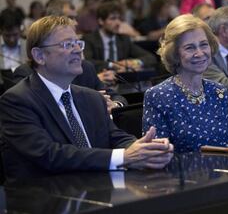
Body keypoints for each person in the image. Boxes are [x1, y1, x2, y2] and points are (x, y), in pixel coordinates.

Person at [0, 15, 173, 181]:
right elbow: (50, 154)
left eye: (78, 43)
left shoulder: (90, 97)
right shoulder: (17, 101)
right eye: (67, 44)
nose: (78, 51)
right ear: (39, 56)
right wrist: (125, 156)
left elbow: (116, 137)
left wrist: (147, 148)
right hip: (45, 199)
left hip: (99, 191)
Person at [142, 14, 228, 153]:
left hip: (226, 173)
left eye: (204, 45)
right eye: (190, 48)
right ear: (174, 54)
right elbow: (156, 154)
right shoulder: (158, 96)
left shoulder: (219, 91)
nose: (199, 53)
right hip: (181, 174)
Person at [83, 1, 157, 83]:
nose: (118, 22)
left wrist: (133, 62)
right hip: (99, 82)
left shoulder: (123, 39)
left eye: (119, 19)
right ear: (101, 21)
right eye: (113, 18)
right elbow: (87, 62)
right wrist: (112, 65)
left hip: (121, 82)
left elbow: (151, 57)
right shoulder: (89, 39)